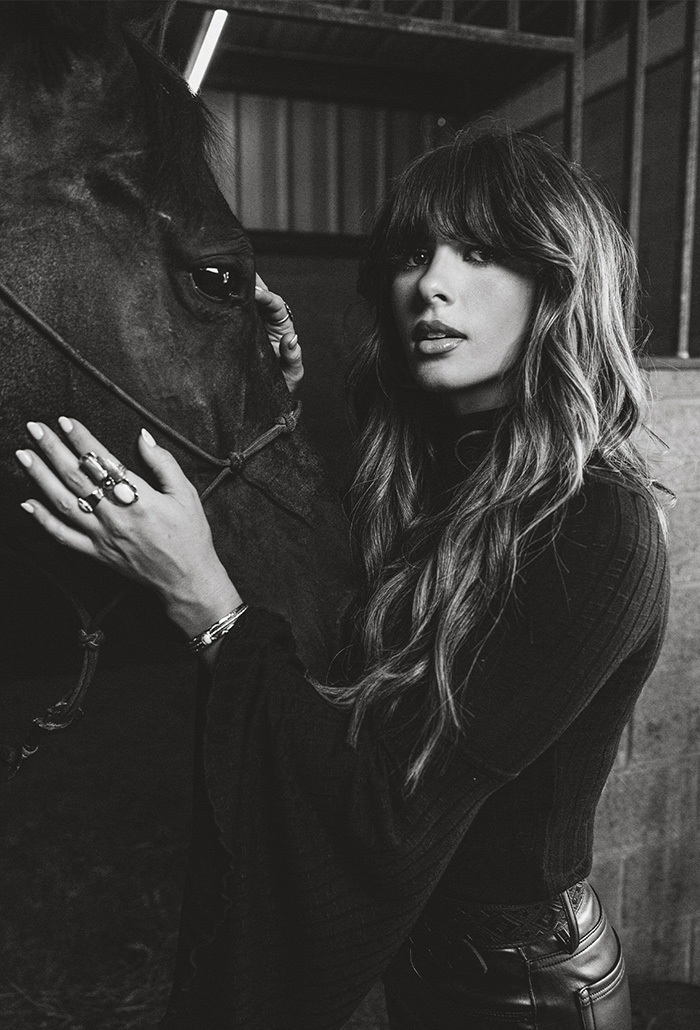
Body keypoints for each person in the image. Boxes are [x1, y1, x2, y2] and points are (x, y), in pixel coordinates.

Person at [15, 127, 669, 1030]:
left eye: (480, 253)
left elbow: (383, 808)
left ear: (559, 284)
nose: (431, 284)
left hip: (518, 993)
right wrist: (268, 404)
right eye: (411, 255)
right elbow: (332, 637)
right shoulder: (429, 476)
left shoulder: (595, 523)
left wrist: (202, 600)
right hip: (412, 967)